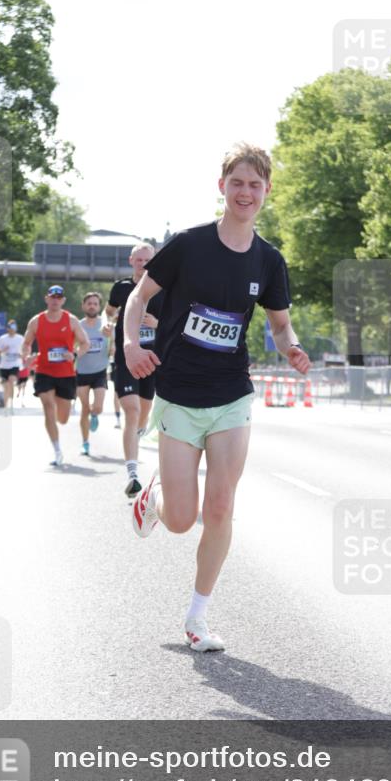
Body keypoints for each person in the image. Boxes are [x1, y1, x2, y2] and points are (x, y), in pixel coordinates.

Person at [125, 143, 311, 651]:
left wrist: (291, 347)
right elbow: (140, 297)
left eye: (255, 184)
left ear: (266, 192)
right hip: (180, 394)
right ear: (222, 186)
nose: (246, 192)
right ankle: (156, 498)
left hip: (231, 394)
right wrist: (128, 344)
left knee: (223, 506)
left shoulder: (269, 260)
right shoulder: (188, 244)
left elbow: (279, 324)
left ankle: (198, 617)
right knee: (182, 521)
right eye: (238, 182)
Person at [106, 244, 162, 496]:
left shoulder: (162, 289)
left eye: (147, 260)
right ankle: (132, 473)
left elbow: (176, 324)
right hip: (126, 359)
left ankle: (136, 439)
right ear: (131, 261)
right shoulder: (121, 288)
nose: (142, 264)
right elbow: (108, 313)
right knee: (132, 410)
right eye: (138, 259)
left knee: (143, 413)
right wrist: (107, 325)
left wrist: (157, 323)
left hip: (152, 361)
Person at [21, 285, 90, 466]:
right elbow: (26, 343)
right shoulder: (36, 321)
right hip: (43, 371)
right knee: (48, 406)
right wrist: (26, 356)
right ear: (47, 299)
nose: (55, 300)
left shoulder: (72, 320)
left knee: (63, 418)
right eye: (52, 297)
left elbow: (85, 343)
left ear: (63, 300)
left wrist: (74, 355)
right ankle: (57, 450)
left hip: (66, 374)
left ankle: (61, 424)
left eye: (59, 297)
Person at [75, 291, 112, 455]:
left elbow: (113, 350)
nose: (92, 306)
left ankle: (95, 414)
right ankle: (85, 443)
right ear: (83, 306)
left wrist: (112, 341)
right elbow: (71, 347)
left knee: (97, 407)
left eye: (95, 303)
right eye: (89, 303)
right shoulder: (77, 326)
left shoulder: (106, 326)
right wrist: (79, 350)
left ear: (99, 307)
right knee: (84, 409)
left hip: (99, 371)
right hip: (81, 372)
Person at [0, 320, 24, 412]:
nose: (12, 330)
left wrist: (22, 354)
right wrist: (2, 350)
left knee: (11, 381)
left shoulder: (20, 338)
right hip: (4, 366)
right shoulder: (2, 339)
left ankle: (11, 404)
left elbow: (26, 350)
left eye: (14, 328)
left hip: (15, 364)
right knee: (6, 386)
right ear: (7, 329)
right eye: (10, 328)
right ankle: (6, 406)